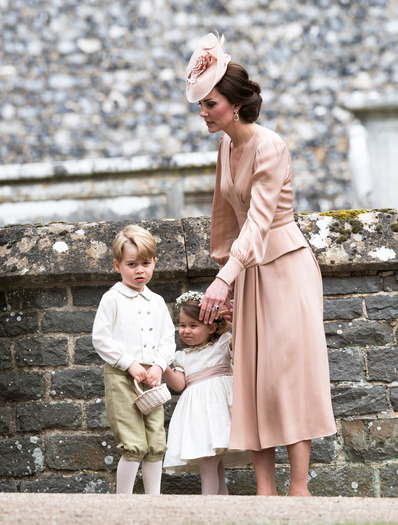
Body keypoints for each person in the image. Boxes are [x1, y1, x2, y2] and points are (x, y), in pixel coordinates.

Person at [185, 32, 337, 496]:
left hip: (285, 267)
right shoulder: (225, 147)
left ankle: (299, 488)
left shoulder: (269, 146)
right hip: (247, 272)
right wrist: (226, 280)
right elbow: (224, 220)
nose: (204, 113)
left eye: (210, 104)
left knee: (288, 372)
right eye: (201, 105)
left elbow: (258, 221)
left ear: (233, 103)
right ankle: (264, 492)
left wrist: (222, 279)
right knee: (251, 374)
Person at [92, 224, 175, 494]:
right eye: (131, 264)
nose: (140, 270)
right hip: (122, 376)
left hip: (152, 380)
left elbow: (167, 339)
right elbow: (101, 338)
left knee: (155, 443)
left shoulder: (158, 301)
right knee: (133, 443)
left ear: (155, 263)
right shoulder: (112, 298)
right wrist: (129, 363)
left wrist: (160, 365)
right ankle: (123, 502)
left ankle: (153, 501)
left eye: (146, 263)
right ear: (117, 265)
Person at [163, 291, 250, 495]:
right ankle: (219, 505)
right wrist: (163, 366)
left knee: (210, 462)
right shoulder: (182, 356)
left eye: (193, 326)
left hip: (221, 410)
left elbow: (241, 345)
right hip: (199, 415)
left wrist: (236, 321)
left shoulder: (222, 343)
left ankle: (208, 505)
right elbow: (178, 384)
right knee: (211, 462)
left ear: (211, 327)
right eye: (182, 325)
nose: (186, 331)